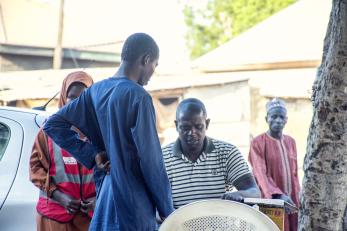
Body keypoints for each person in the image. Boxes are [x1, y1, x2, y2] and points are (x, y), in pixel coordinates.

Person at [43, 33, 174, 231]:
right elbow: (151, 162)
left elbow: (53, 124)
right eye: (154, 65)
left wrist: (93, 153)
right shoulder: (139, 97)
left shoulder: (95, 91)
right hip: (133, 206)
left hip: (105, 198)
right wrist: (166, 208)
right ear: (146, 59)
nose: (152, 72)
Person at [162, 98, 260, 209]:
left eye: (198, 127)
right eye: (185, 127)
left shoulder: (227, 153)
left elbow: (254, 191)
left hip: (220, 225)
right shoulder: (162, 158)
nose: (192, 133)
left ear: (207, 124)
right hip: (179, 225)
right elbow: (155, 203)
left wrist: (240, 194)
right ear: (176, 125)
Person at [29, 71, 96, 231]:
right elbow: (35, 169)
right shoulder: (47, 132)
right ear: (64, 97)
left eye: (83, 97)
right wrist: (59, 196)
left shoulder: (100, 133)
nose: (77, 103)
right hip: (54, 218)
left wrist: (97, 200)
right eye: (72, 96)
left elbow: (112, 174)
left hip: (90, 219)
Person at [248, 98, 300, 231]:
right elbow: (260, 174)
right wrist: (278, 195)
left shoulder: (291, 142)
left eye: (281, 117)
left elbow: (294, 174)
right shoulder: (258, 143)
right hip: (272, 200)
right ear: (267, 118)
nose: (278, 120)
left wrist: (298, 195)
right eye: (274, 116)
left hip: (292, 200)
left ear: (286, 120)